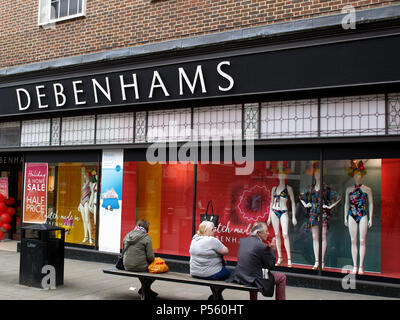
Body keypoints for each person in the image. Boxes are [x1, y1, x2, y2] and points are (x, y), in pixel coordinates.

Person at [228, 222, 287, 300]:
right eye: (266, 231)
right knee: (282, 277)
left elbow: (253, 259)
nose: (268, 233)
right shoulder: (262, 246)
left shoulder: (242, 241)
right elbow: (270, 266)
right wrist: (272, 250)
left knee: (254, 271)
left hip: (240, 276)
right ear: (259, 233)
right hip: (252, 279)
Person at [299, 161, 341, 270]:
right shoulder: (310, 188)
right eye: (316, 173)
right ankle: (317, 261)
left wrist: (329, 206)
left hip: (322, 214)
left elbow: (338, 197)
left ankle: (322, 261)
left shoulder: (326, 188)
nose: (318, 175)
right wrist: (306, 204)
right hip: (313, 214)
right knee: (314, 237)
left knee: (322, 237)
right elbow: (301, 198)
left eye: (319, 173)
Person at [344, 160, 373, 275]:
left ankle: (361, 265)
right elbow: (346, 204)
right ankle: (355, 265)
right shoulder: (348, 189)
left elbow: (371, 203)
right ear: (353, 176)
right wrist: (345, 217)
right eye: (356, 175)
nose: (358, 177)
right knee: (353, 240)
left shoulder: (367, 189)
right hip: (352, 214)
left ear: (362, 176)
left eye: (359, 175)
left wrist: (370, 218)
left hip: (363, 214)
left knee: (362, 240)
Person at [267, 162, 297, 267]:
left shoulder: (288, 188)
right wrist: (268, 217)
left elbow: (293, 202)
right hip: (274, 211)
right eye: (279, 174)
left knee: (285, 234)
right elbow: (271, 202)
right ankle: (279, 258)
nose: (281, 176)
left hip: (284, 211)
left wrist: (293, 217)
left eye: (283, 174)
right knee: (276, 235)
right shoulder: (274, 189)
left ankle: (289, 259)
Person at [122, 219, 157, 297]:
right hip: (140, 266)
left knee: (140, 267)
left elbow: (123, 250)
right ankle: (145, 289)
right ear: (146, 228)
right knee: (157, 270)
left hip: (126, 265)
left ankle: (145, 289)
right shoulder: (146, 237)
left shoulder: (128, 235)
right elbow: (150, 257)